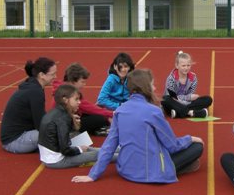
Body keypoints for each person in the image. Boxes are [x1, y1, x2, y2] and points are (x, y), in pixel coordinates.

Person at [72, 69, 204, 184]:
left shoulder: (120, 110)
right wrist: (190, 138)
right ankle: (176, 168)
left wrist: (92, 175)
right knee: (197, 146)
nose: (154, 88)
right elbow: (172, 145)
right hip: (151, 172)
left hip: (126, 170)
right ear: (146, 88)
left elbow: (109, 145)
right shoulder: (154, 111)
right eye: (152, 85)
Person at [0, 57, 57, 154]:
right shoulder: (35, 91)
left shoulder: (33, 85)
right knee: (55, 133)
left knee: (56, 128)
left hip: (17, 136)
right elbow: (40, 124)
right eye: (52, 74)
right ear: (41, 75)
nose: (55, 76)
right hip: (13, 141)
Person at [38, 84, 100, 169]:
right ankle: (118, 156)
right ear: (65, 100)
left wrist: (80, 147)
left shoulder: (56, 112)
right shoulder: (63, 118)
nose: (79, 102)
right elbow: (65, 150)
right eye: (76, 99)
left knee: (88, 148)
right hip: (56, 160)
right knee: (96, 154)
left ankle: (116, 150)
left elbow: (62, 136)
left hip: (49, 156)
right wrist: (79, 149)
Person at [53, 63, 113, 135]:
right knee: (101, 119)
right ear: (73, 81)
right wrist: (110, 114)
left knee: (95, 114)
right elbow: (86, 107)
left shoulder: (64, 88)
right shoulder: (68, 92)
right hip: (65, 123)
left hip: (69, 117)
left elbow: (85, 107)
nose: (84, 84)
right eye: (82, 82)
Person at [161, 50, 213, 119]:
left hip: (185, 103)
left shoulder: (193, 78)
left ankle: (178, 113)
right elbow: (173, 97)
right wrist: (189, 98)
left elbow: (190, 95)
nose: (186, 68)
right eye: (183, 66)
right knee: (165, 99)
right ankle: (192, 112)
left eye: (188, 65)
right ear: (177, 65)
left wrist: (189, 99)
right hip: (173, 102)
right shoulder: (171, 78)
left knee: (208, 99)